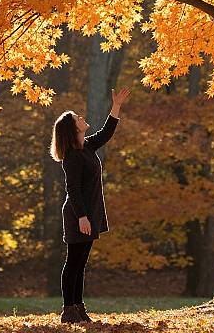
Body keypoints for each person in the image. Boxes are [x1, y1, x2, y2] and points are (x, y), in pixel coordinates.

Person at [49, 87, 130, 323]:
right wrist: (82, 217)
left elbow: (106, 133)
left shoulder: (86, 146)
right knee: (73, 261)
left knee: (81, 263)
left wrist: (116, 106)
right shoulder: (73, 156)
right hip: (78, 214)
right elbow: (72, 190)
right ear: (72, 129)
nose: (82, 118)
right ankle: (68, 310)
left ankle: (79, 308)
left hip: (88, 213)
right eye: (77, 118)